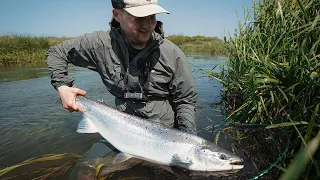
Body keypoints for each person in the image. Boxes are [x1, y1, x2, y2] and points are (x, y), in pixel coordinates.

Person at [47, 0, 198, 135]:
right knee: (89, 166)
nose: (147, 26)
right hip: (117, 131)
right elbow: (56, 52)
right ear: (117, 15)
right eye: (139, 18)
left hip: (165, 134)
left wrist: (188, 138)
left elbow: (186, 101)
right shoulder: (100, 44)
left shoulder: (172, 53)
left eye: (152, 17)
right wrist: (63, 86)